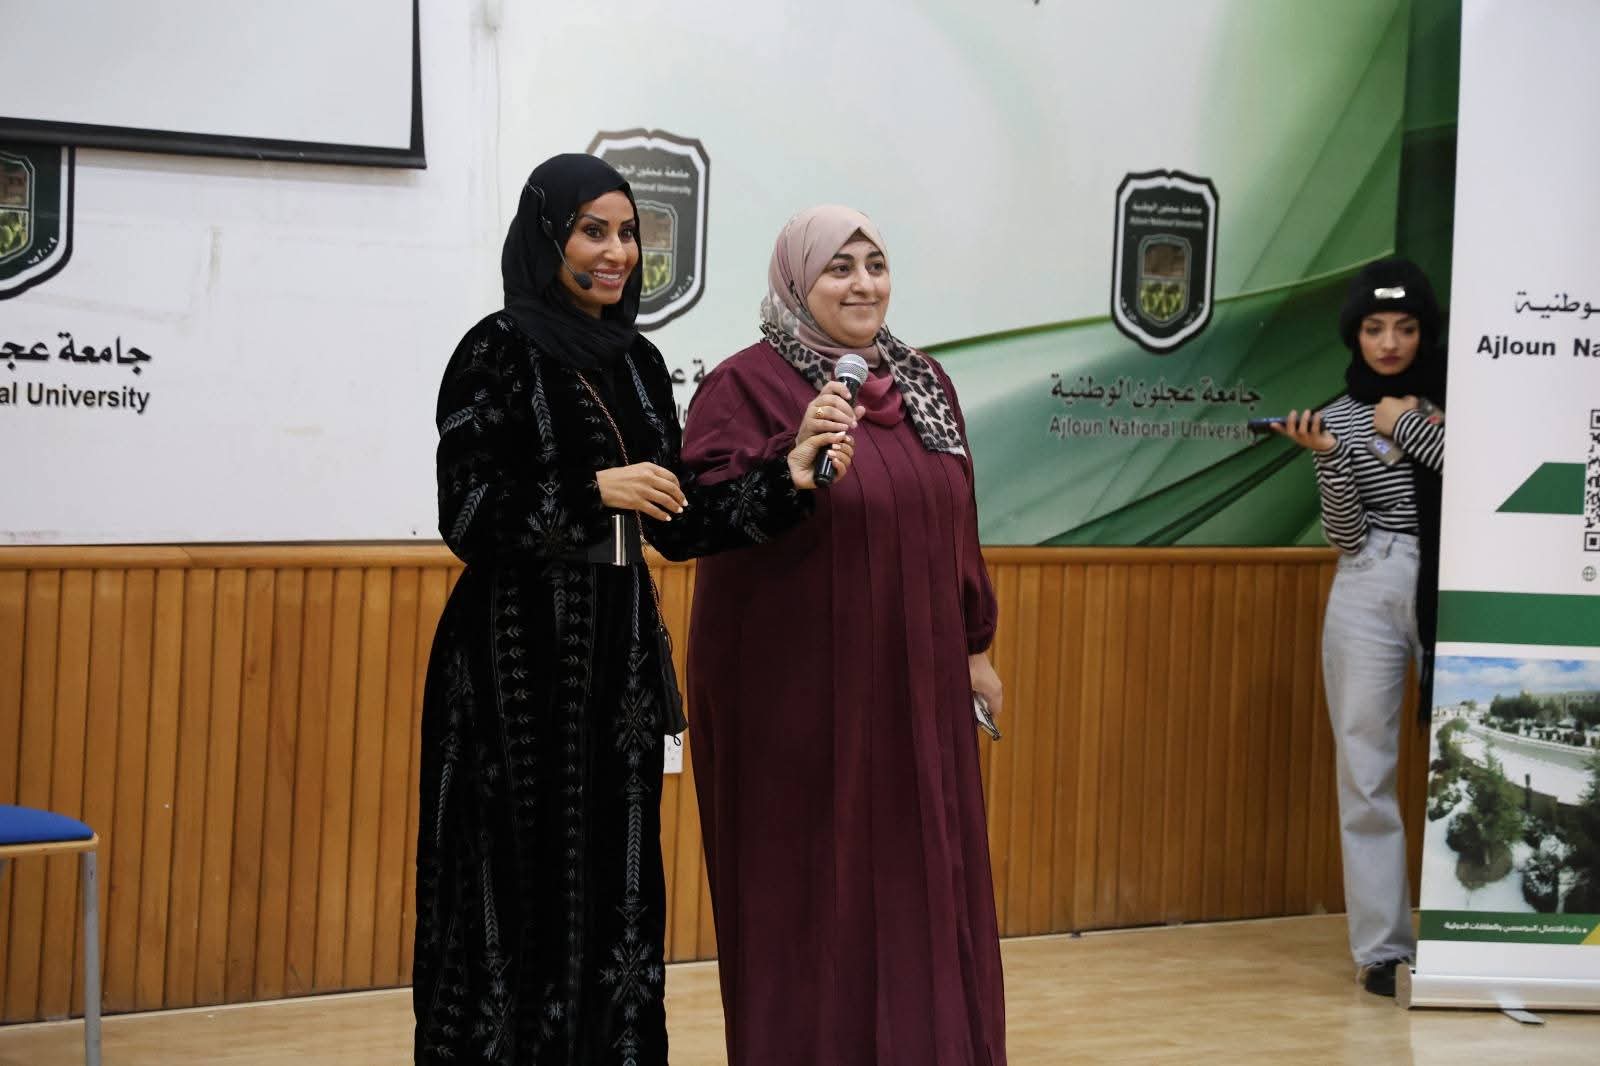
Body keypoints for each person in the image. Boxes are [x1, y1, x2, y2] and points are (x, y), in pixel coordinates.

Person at [413, 155, 857, 1065]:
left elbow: (682, 523)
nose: (616, 253)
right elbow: (466, 513)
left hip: (614, 658)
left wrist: (788, 476)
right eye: (592, 232)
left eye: (627, 234)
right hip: (512, 660)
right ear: (548, 240)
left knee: (614, 893)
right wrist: (592, 491)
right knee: (512, 886)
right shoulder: (495, 349)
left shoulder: (641, 364)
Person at [680, 205, 1007, 1064]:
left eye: (876, 265)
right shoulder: (745, 387)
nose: (864, 284)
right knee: (814, 898)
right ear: (797, 280)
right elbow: (701, 516)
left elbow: (957, 520)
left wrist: (975, 646)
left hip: (915, 691)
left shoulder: (924, 382)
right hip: (795, 702)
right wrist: (785, 465)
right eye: (839, 267)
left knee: (921, 885)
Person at [1274, 256, 1447, 997]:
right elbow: (1344, 534)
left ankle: (1479, 933)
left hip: (1456, 580)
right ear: (1356, 334)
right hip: (1369, 576)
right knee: (1365, 765)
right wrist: (1328, 460)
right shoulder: (1339, 415)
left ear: (1425, 332)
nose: (1390, 343)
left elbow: (1475, 477)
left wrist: (1404, 423)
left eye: (1405, 327)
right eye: (1375, 328)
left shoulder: (1459, 399)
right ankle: (1383, 950)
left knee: (1466, 756)